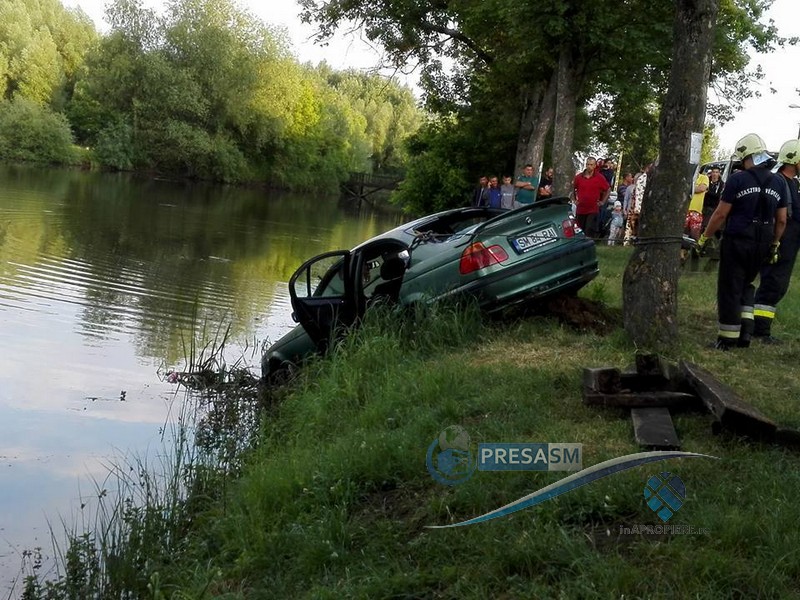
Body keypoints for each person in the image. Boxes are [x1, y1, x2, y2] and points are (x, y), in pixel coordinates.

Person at [697, 133, 788, 350]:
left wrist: (704, 237)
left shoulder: (738, 179)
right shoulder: (778, 182)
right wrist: (775, 244)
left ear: (745, 156)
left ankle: (727, 339)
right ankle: (746, 334)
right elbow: (782, 220)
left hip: (738, 239)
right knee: (747, 284)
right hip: (763, 241)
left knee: (730, 287)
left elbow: (720, 214)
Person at [752, 139, 800, 344]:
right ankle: (760, 331)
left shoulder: (793, 184)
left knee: (778, 285)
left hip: (789, 243)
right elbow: (778, 217)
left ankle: (758, 328)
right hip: (781, 241)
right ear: (794, 159)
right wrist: (775, 243)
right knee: (772, 284)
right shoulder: (779, 182)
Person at [570, 156, 610, 239]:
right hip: (580, 209)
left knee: (589, 230)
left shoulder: (599, 178)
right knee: (579, 231)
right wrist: (574, 200)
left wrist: (602, 201)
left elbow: (608, 189)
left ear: (595, 165)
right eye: (587, 164)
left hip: (593, 209)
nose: (589, 166)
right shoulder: (579, 177)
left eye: (591, 165)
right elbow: (572, 188)